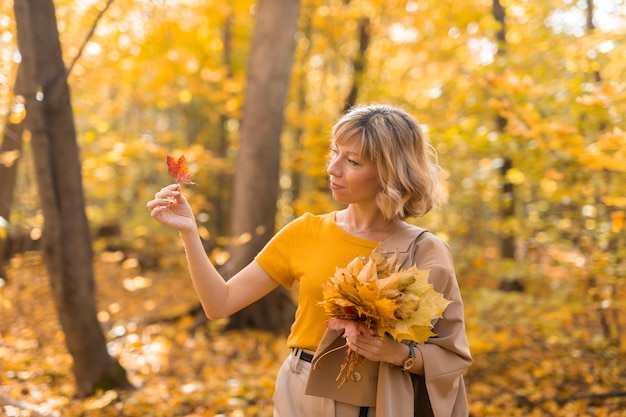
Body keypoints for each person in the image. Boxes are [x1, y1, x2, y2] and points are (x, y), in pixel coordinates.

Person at [146, 104, 472, 417]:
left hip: (379, 399)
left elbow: (451, 355)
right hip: (299, 391)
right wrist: (189, 232)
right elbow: (219, 304)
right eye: (335, 153)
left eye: (353, 161)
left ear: (389, 172)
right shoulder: (306, 231)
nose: (333, 168)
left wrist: (398, 353)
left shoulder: (425, 251)